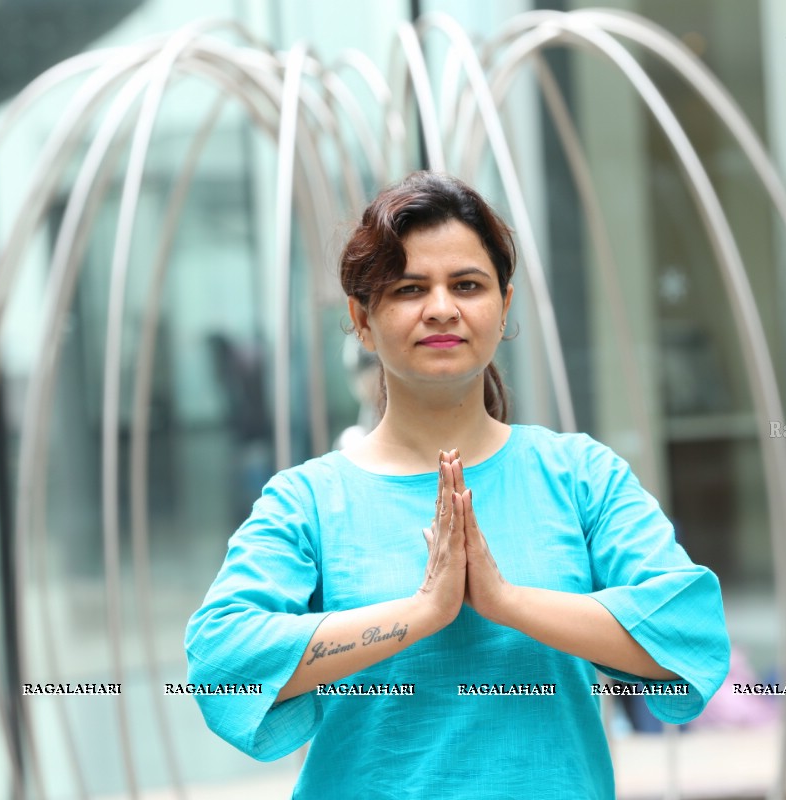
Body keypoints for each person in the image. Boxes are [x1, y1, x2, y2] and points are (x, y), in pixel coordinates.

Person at [185, 172, 730, 799]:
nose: (441, 307)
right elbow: (224, 662)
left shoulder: (582, 476)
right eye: (409, 288)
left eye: (466, 285)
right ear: (362, 320)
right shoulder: (307, 500)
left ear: (503, 304)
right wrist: (422, 613)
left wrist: (505, 602)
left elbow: (688, 637)